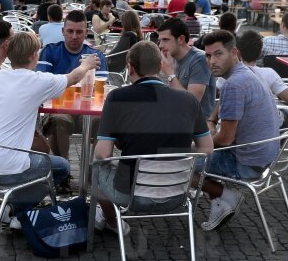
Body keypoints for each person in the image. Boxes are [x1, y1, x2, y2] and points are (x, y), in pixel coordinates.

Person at [92, 40, 214, 233]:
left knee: (95, 167)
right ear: (160, 67)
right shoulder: (188, 99)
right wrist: (173, 151)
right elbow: (207, 149)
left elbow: (102, 154)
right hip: (177, 193)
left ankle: (113, 222)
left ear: (130, 68)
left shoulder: (118, 97)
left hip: (132, 195)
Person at [0, 31, 97, 221]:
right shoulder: (38, 81)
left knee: (38, 156)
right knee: (62, 167)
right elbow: (74, 77)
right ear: (35, 55)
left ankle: (13, 203)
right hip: (6, 167)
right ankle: (17, 209)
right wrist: (87, 65)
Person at [201, 29, 282, 230]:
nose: (212, 61)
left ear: (234, 52)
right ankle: (220, 204)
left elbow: (226, 139)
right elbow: (227, 106)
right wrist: (212, 120)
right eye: (208, 55)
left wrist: (198, 142)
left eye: (218, 54)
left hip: (248, 163)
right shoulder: (248, 72)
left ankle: (226, 196)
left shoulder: (234, 85)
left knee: (182, 163)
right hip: (267, 156)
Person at [37, 10, 107, 158]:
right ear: (63, 31)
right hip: (58, 106)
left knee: (101, 120)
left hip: (87, 108)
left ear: (86, 32)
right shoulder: (50, 51)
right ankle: (64, 167)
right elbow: (42, 83)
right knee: (58, 119)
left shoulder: (96, 55)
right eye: (70, 31)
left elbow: (101, 90)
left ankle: (92, 167)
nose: (74, 36)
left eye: (79, 32)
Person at [157, 17, 213, 124]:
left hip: (196, 125)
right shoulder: (172, 58)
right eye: (160, 41)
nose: (160, 45)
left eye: (165, 40)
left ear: (181, 39)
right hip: (176, 116)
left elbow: (191, 104)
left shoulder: (200, 59)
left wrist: (169, 73)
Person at [236, 30, 288, 112]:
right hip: (264, 120)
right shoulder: (269, 74)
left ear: (238, 53)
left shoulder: (228, 75)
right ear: (260, 54)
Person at [106, 9, 142, 74]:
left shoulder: (128, 35)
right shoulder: (137, 35)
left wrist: (104, 56)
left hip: (116, 65)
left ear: (125, 22)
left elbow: (116, 52)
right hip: (124, 64)